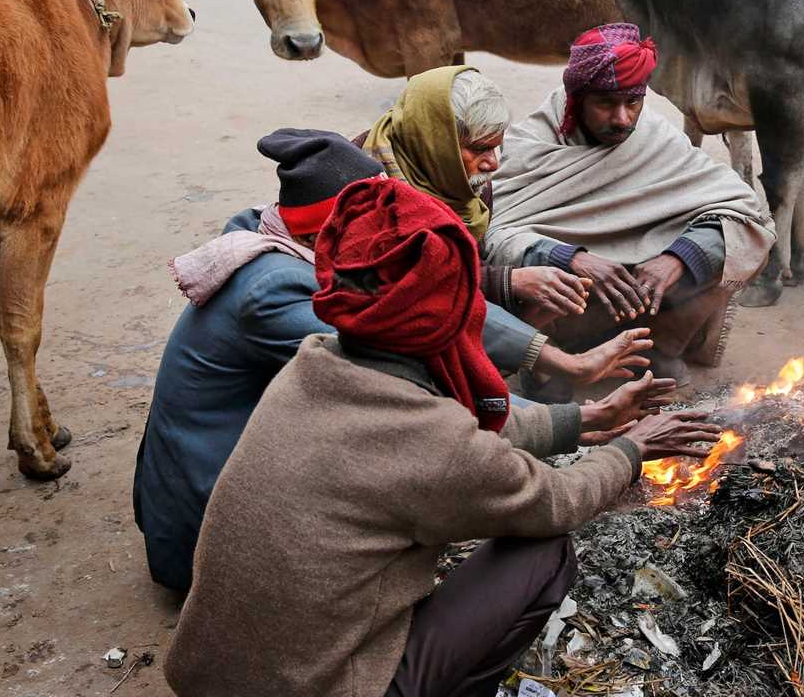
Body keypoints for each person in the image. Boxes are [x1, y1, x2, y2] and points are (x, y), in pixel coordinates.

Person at [162, 176, 720, 697]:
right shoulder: (428, 438)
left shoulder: (315, 365)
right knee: (542, 553)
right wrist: (631, 449)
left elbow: (466, 427)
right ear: (448, 308)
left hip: (209, 672)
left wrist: (588, 420)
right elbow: (555, 501)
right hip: (315, 686)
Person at [133, 128, 661, 593]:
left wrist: (579, 404)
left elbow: (442, 310)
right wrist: (606, 428)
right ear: (332, 237)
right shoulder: (279, 294)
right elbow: (437, 403)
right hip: (208, 541)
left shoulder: (286, 248)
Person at [484, 23, 776, 385]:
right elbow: (494, 236)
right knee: (539, 274)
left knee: (746, 238)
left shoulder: (652, 136)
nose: (622, 118)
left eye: (632, 102)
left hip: (643, 295)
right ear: (577, 101)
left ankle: (661, 346)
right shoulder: (532, 143)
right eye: (606, 103)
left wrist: (676, 259)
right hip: (572, 305)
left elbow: (742, 211)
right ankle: (549, 363)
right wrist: (573, 259)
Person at [359, 65, 651, 400]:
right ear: (436, 139)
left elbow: (467, 258)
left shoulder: (460, 179)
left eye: (496, 147)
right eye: (479, 149)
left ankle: (523, 374)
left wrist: (531, 301)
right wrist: (509, 281)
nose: (493, 163)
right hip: (386, 332)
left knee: (552, 292)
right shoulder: (367, 188)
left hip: (452, 302)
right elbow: (398, 286)